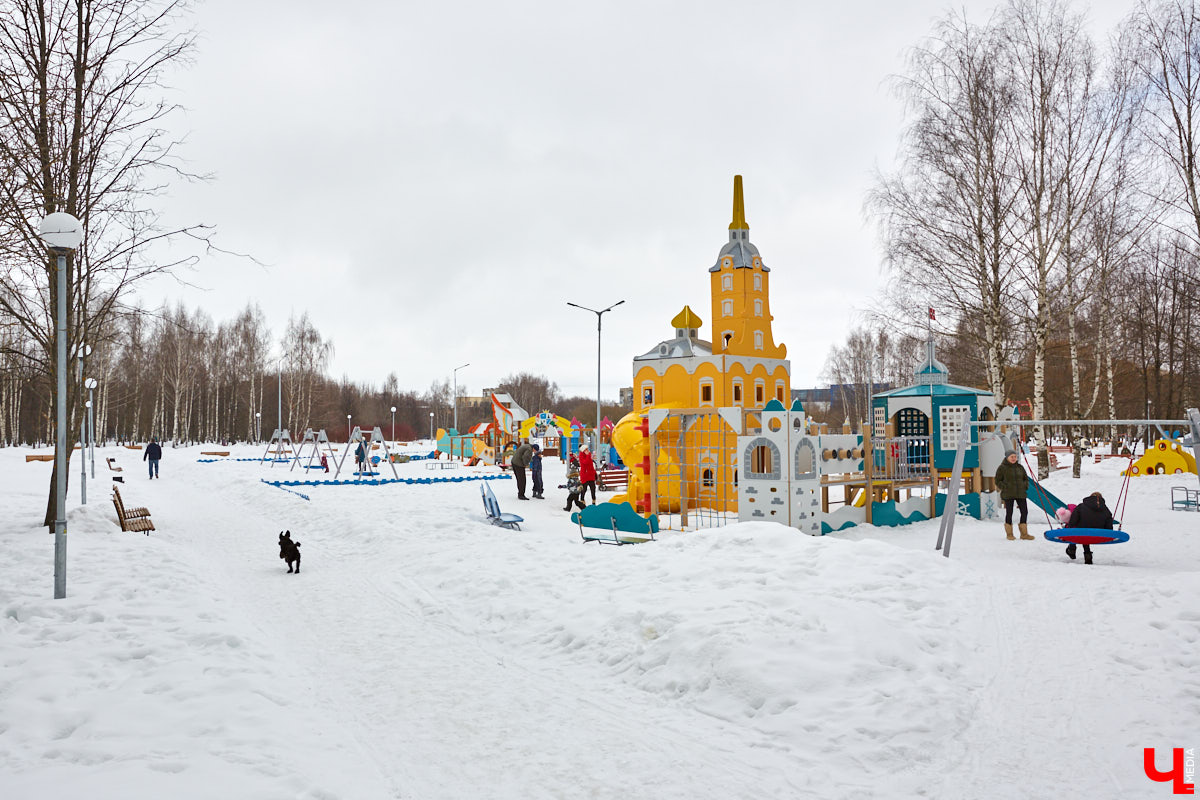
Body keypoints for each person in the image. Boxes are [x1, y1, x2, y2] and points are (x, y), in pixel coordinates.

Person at [1063, 491, 1114, 565]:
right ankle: (1087, 555)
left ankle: (1072, 549)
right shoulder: (1106, 511)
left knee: (1078, 530)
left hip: (1081, 534)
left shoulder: (1081, 506)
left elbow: (1073, 522)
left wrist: (1067, 527)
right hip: (1098, 536)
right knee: (1086, 531)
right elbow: (1109, 528)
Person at [994, 450, 1033, 540]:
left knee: (1024, 512)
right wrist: (1005, 487)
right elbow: (997, 480)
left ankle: (1024, 534)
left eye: (1015, 457)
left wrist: (1025, 486)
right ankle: (1009, 534)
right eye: (1011, 457)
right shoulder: (1002, 468)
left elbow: (1025, 478)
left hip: (1021, 493)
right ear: (1007, 457)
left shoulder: (1020, 467)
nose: (1013, 458)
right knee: (1009, 512)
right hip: (1008, 494)